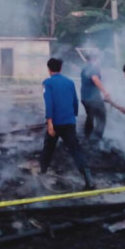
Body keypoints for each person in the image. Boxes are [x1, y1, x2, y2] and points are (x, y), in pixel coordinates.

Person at [40, 58, 95, 190]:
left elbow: (49, 103)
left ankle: (42, 173)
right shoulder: (70, 82)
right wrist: (73, 115)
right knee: (75, 149)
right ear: (61, 68)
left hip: (56, 122)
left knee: (48, 147)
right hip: (69, 122)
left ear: (48, 69)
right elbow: (75, 101)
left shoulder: (47, 83)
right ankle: (89, 179)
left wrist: (49, 122)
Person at [80, 52, 111, 139]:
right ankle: (97, 137)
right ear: (94, 59)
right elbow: (95, 79)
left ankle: (87, 136)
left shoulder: (85, 68)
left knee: (90, 116)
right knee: (102, 116)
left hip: (85, 98)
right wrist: (105, 92)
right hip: (93, 99)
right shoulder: (93, 68)